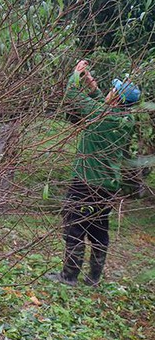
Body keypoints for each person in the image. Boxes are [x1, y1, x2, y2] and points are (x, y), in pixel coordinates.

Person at [46, 60, 139, 287]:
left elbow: (71, 95)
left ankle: (68, 277)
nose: (108, 92)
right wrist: (93, 86)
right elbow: (104, 106)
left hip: (85, 183)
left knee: (74, 228)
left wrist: (76, 74)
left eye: (112, 90)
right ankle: (94, 277)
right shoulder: (126, 121)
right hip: (107, 188)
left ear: (116, 98)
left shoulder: (101, 116)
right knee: (98, 232)